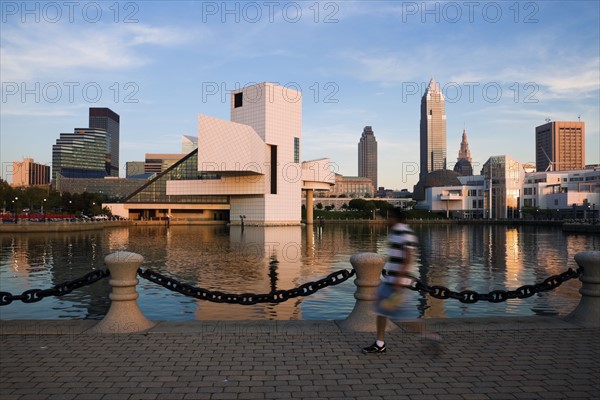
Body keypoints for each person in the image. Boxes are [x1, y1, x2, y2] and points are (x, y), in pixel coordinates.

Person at [362, 208, 442, 354]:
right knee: (381, 310)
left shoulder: (403, 233)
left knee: (402, 317)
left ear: (395, 218)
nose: (387, 220)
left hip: (397, 283)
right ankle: (380, 344)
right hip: (392, 282)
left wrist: (399, 279)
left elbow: (408, 256)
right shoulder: (397, 232)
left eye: (389, 217)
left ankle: (431, 336)